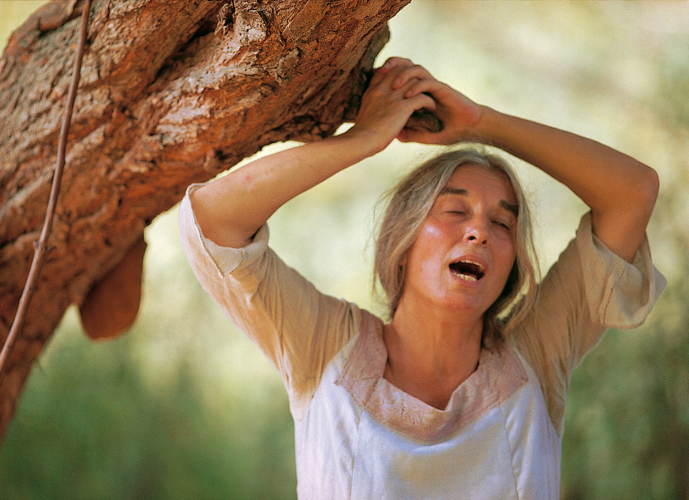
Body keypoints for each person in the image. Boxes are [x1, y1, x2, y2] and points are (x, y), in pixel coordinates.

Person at [178, 57, 666, 498]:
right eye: (455, 210)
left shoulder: (536, 356)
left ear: (511, 266)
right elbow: (214, 220)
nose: (478, 231)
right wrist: (365, 140)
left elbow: (632, 193)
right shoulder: (323, 347)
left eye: (502, 223)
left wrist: (481, 124)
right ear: (403, 238)